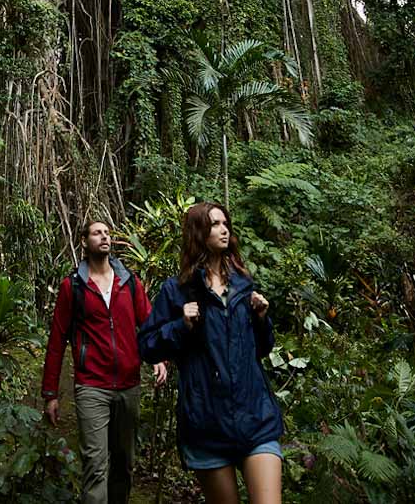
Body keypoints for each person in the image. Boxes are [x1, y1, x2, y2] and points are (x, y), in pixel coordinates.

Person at [138, 202, 283, 504]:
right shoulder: (176, 291)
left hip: (254, 415)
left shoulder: (244, 284)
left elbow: (263, 348)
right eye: (215, 224)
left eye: (225, 223)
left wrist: (261, 319)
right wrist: (180, 326)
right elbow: (147, 346)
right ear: (198, 233)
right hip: (206, 422)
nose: (224, 229)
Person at [41, 217, 169, 504]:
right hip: (92, 386)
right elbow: (56, 341)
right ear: (85, 242)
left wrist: (158, 357)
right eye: (97, 233)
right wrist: (50, 393)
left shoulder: (130, 282)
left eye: (107, 232)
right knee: (96, 466)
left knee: (124, 464)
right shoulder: (72, 286)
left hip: (129, 385)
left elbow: (148, 324)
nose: (104, 237)